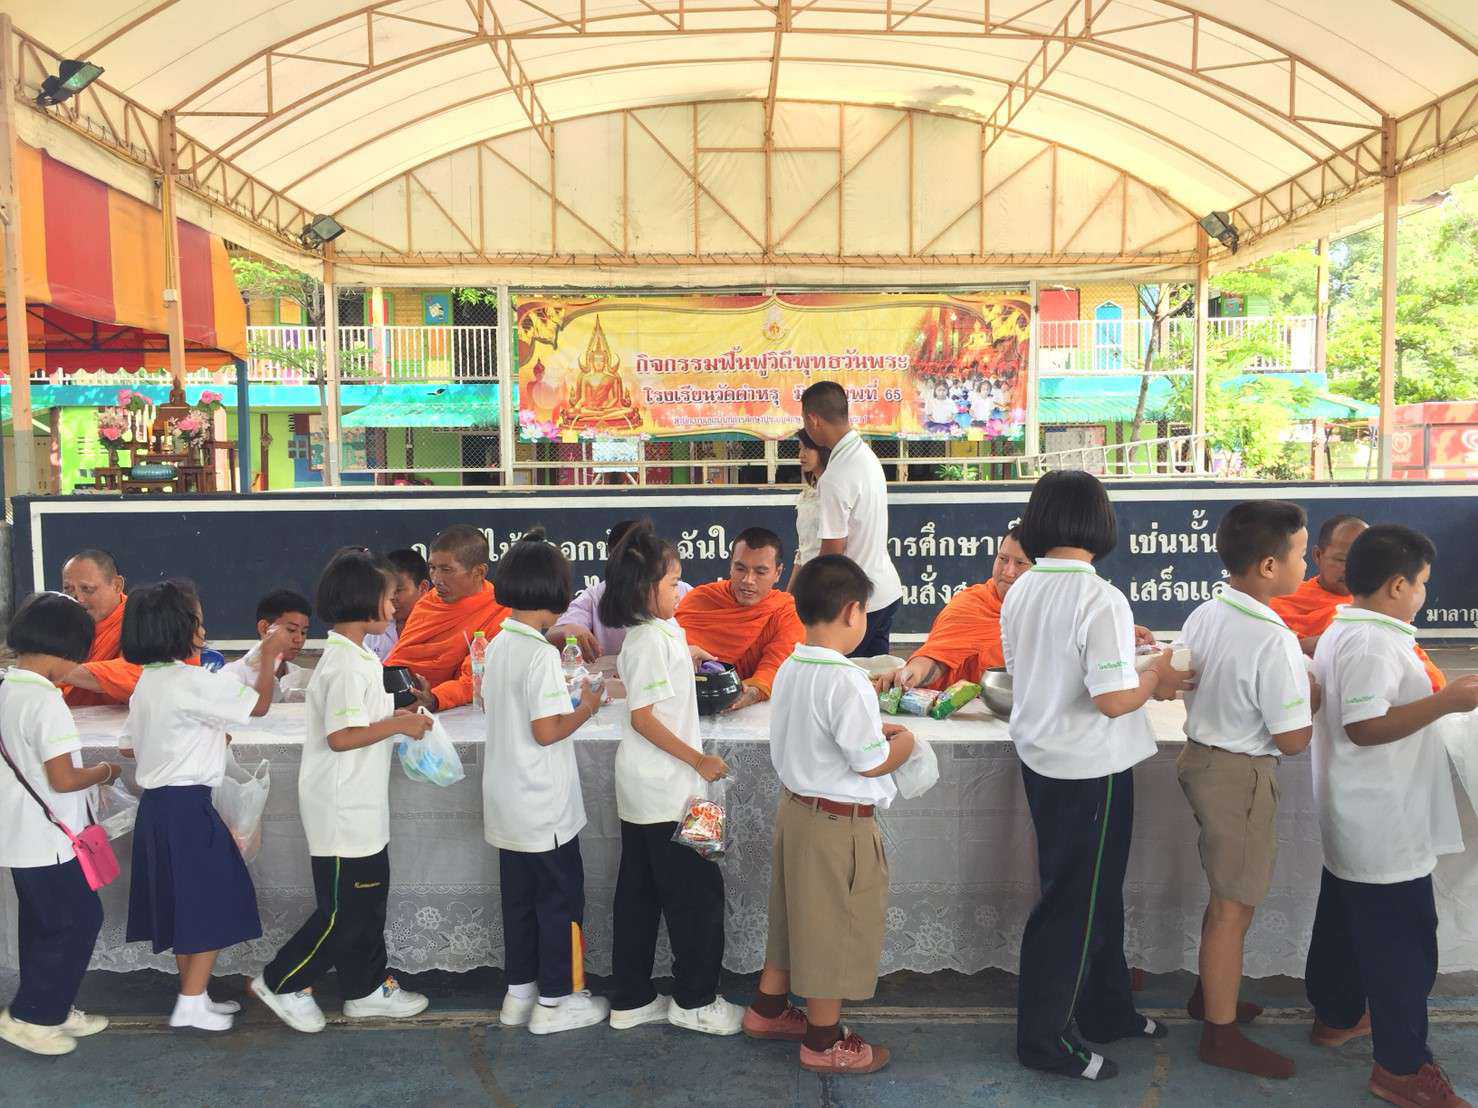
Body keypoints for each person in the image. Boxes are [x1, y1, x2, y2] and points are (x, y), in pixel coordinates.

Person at [1002, 470, 1191, 1082]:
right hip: (1089, 768)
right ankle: (1044, 1039)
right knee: (1073, 904)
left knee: (1096, 895)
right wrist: (1156, 677)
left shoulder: (1024, 588)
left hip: (1046, 758)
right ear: (1100, 522)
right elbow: (1111, 700)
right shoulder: (1099, 597)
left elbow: (1044, 669)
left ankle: (1107, 1008)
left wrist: (1131, 664)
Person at [1304, 524, 1478, 1108]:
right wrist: (1446, 701)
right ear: (1397, 585)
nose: (1424, 594)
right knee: (1403, 946)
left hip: (1359, 810)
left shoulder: (1349, 627)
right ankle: (1401, 1068)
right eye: (1422, 583)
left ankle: (1337, 1016)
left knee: (1343, 921)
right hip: (1381, 817)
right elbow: (1364, 726)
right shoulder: (1370, 643)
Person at [742, 555, 917, 1075]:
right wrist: (904, 743)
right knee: (832, 926)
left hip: (797, 812)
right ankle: (822, 1040)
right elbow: (868, 762)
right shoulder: (847, 679)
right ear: (852, 612)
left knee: (791, 917)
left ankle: (768, 1008)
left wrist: (874, 737)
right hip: (837, 825)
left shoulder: (792, 666)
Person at [250, 554, 432, 1034]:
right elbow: (342, 736)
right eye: (387, 597)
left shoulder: (360, 657)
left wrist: (398, 711)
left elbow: (361, 719)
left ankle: (365, 988)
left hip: (362, 805)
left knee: (368, 904)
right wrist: (399, 725)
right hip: (342, 808)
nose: (393, 605)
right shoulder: (346, 665)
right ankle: (281, 980)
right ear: (362, 601)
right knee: (344, 913)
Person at [1177, 501, 1318, 1080]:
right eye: (1301, 553)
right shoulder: (1272, 637)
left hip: (1203, 759)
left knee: (1224, 893)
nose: (1307, 565)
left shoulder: (1208, 611)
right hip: (1239, 776)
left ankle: (1211, 995)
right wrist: (1312, 694)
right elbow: (1292, 740)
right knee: (1234, 906)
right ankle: (1220, 1034)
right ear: (1268, 566)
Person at [120, 580, 291, 1032]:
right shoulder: (190, 681)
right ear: (182, 627)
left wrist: (198, 739)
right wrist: (270, 657)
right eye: (197, 619)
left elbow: (129, 747)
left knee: (186, 904)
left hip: (158, 808)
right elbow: (258, 705)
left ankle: (193, 994)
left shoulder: (149, 683)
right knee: (212, 900)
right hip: (188, 808)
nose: (204, 626)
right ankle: (190, 1002)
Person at [600, 523, 742, 1036]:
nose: (680, 590)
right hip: (673, 791)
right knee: (698, 896)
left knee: (640, 896)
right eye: (672, 582)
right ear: (644, 590)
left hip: (653, 791)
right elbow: (643, 717)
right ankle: (695, 1000)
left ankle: (633, 997)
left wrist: (691, 652)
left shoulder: (660, 633)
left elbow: (670, 655)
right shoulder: (647, 643)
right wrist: (698, 760)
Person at [483, 529, 608, 1035]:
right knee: (559, 903)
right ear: (555, 592)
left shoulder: (498, 644)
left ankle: (520, 994)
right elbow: (547, 730)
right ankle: (557, 1001)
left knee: (519, 903)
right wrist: (588, 706)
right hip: (544, 808)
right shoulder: (538, 655)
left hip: (507, 805)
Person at [0, 593, 120, 1057]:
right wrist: (105, 771)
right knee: (79, 919)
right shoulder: (46, 701)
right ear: (67, 648)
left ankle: (52, 1005)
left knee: (42, 923)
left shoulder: (6, 687)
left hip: (18, 833)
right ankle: (32, 1017)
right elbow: (64, 778)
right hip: (48, 839)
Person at [1271, 515, 1447, 692]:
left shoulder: (1382, 607)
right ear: (1318, 555)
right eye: (1341, 560)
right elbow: (1267, 653)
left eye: (1365, 563)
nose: (1351, 569)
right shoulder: (1280, 602)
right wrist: (1315, 644)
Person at [801, 381, 903, 657]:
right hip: (886, 591)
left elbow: (832, 554)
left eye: (805, 421)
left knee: (840, 675)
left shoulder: (836, 476)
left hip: (856, 603)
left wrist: (808, 596)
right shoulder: (866, 456)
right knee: (875, 678)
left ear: (813, 419)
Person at [883, 526, 1033, 692]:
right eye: (1003, 559)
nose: (1008, 572)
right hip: (973, 706)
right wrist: (913, 673)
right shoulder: (972, 604)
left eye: (1020, 563)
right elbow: (936, 658)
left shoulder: (1048, 611)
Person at [675, 527, 805, 714]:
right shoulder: (702, 599)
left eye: (761, 572)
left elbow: (776, 664)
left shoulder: (784, 610)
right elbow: (669, 656)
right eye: (740, 569)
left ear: (778, 573)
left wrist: (752, 692)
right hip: (689, 706)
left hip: (752, 714)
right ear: (730, 566)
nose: (748, 580)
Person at [386, 525, 509, 711]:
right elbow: (402, 660)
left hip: (450, 709)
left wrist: (434, 699)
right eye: (432, 568)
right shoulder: (428, 603)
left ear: (479, 572)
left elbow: (474, 680)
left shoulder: (498, 611)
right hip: (397, 698)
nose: (436, 579)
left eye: (446, 569)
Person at [548, 521, 694, 661]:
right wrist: (569, 629)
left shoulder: (683, 591)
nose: (676, 595)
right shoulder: (594, 597)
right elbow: (551, 635)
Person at [58, 549, 128, 708]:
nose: (77, 599)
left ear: (117, 585)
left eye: (87, 589)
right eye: (68, 589)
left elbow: (135, 674)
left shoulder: (141, 620)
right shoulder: (64, 620)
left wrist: (54, 668)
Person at [221, 590, 313, 703]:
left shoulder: (303, 679)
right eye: (291, 630)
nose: (299, 639)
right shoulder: (234, 675)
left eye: (303, 632)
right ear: (264, 628)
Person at [364, 549, 432, 662]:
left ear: (423, 588)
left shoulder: (437, 628)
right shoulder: (373, 630)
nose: (390, 597)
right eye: (385, 590)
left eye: (398, 590)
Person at [789, 429, 830, 586]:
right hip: (809, 579)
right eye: (800, 448)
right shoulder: (807, 495)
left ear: (822, 450)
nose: (801, 455)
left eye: (807, 448)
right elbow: (803, 550)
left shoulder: (834, 491)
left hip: (828, 580)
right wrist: (790, 592)